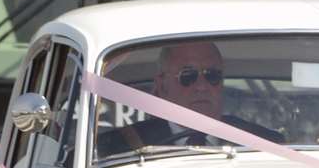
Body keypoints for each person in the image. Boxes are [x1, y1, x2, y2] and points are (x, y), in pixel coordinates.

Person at [98, 40, 280, 154]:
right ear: (162, 86)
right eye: (188, 76)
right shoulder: (118, 146)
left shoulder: (264, 144)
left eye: (212, 75)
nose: (201, 86)